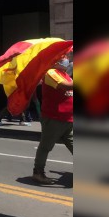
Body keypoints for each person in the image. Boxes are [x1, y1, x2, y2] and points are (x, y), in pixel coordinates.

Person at [31, 56, 74, 185]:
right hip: (54, 118)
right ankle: (38, 172)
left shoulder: (65, 74)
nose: (66, 59)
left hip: (68, 119)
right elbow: (66, 87)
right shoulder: (51, 73)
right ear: (55, 61)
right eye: (63, 58)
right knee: (46, 146)